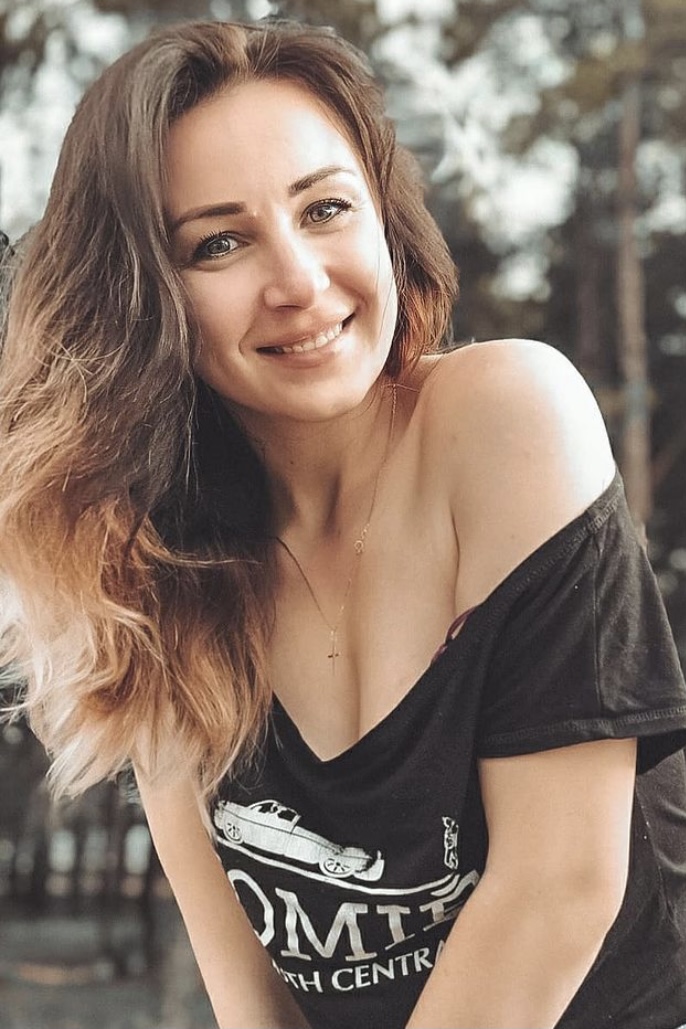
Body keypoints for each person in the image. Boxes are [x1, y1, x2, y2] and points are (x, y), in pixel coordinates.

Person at [0, 17, 685, 1029]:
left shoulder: (504, 416)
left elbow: (554, 894)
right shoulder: (149, 574)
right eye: (218, 243)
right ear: (141, 299)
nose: (300, 282)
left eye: (324, 208)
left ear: (384, 219)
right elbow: (252, 999)